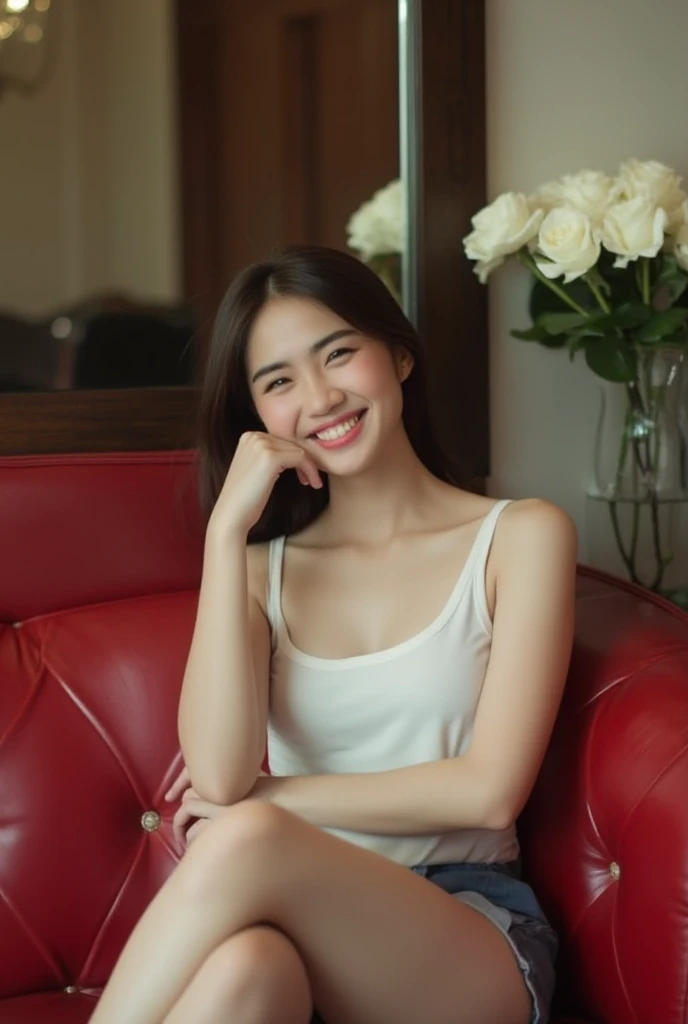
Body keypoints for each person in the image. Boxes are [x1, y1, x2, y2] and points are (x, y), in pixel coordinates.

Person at [90, 245, 577, 1024]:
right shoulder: (257, 571)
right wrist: (225, 535)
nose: (319, 398)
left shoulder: (520, 536)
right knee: (244, 970)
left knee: (246, 837)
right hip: (303, 930)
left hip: (467, 930)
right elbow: (216, 777)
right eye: (279, 382)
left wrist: (273, 803)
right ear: (258, 420)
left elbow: (489, 794)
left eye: (339, 354)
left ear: (400, 356)